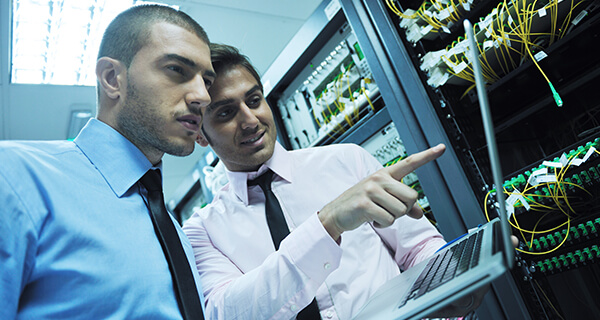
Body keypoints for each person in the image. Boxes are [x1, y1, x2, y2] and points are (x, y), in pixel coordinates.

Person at [183, 43, 454, 319]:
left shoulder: (347, 160)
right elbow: (228, 313)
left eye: (254, 101)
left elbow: (419, 247)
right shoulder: (201, 231)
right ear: (200, 135)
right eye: (226, 113)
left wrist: (452, 284)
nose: (251, 120)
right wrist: (327, 224)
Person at [0, 5, 215, 319]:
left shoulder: (174, 233)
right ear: (113, 78)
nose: (202, 96)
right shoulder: (16, 177)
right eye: (176, 70)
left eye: (206, 81)